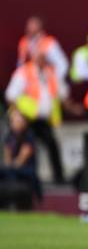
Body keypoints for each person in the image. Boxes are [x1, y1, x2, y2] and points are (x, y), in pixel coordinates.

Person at [5, 48, 67, 184]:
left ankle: (59, 177)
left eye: (44, 57)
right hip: (27, 119)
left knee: (52, 145)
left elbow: (61, 94)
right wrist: (17, 116)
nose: (42, 60)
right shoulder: (24, 72)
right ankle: (16, 176)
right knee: (26, 147)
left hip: (44, 119)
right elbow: (10, 95)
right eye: (39, 57)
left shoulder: (50, 72)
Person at [0, 108, 41, 201]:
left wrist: (10, 167)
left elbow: (21, 160)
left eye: (18, 120)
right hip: (13, 168)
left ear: (24, 122)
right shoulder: (10, 136)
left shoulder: (29, 136)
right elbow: (7, 158)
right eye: (13, 121)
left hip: (27, 169)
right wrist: (8, 166)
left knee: (12, 174)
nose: (15, 123)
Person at [17, 16, 69, 85]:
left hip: (46, 81)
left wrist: (54, 81)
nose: (29, 27)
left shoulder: (49, 42)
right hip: (28, 82)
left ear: (40, 27)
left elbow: (62, 64)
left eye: (33, 25)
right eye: (28, 24)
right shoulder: (23, 42)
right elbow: (21, 63)